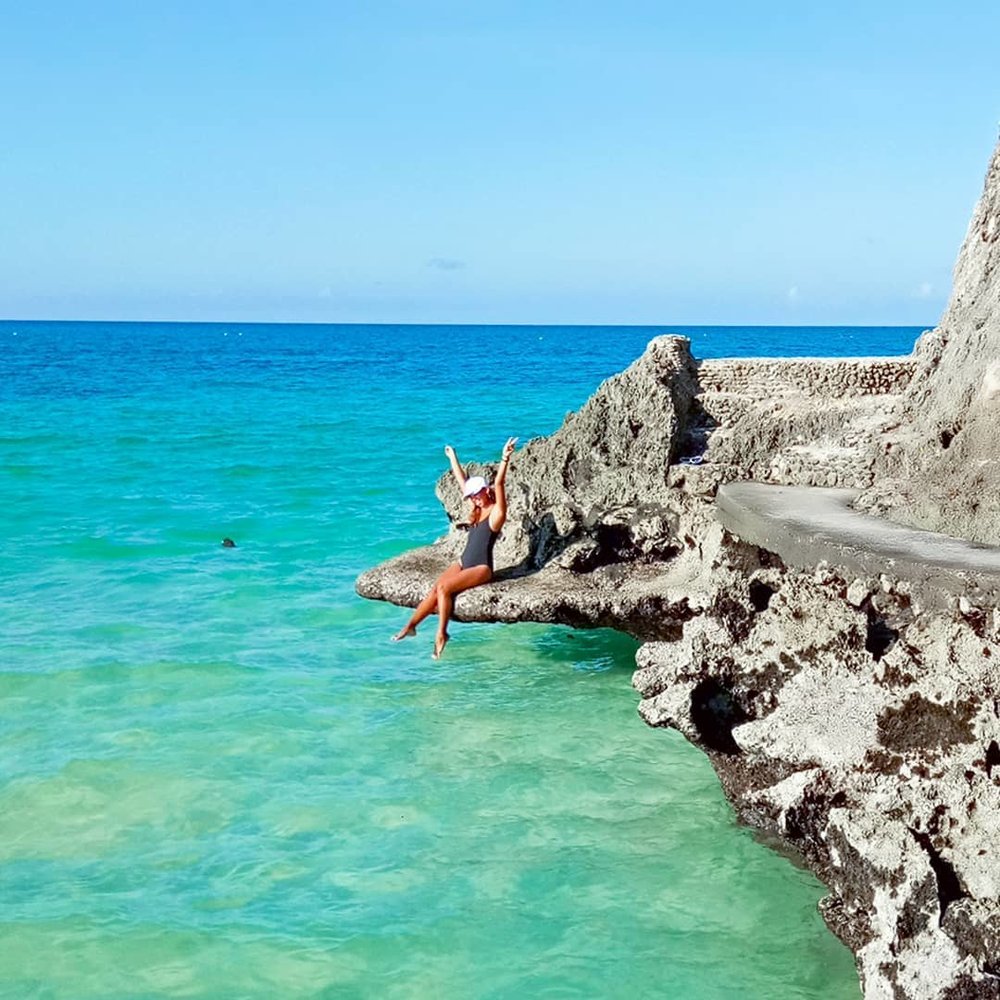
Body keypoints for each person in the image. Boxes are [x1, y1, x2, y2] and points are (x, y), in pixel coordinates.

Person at [393, 436, 518, 658]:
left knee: (444, 589)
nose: (475, 499)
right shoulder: (476, 510)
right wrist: (453, 458)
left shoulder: (497, 514)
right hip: (463, 562)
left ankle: (442, 634)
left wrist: (505, 458)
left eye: (477, 494)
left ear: (486, 491)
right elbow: (462, 482)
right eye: (471, 496)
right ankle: (411, 626)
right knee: (435, 587)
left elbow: (499, 484)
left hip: (481, 568)